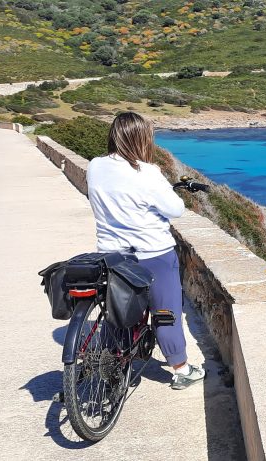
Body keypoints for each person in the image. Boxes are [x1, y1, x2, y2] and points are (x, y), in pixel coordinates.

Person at [85, 112, 205, 390]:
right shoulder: (147, 172)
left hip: (111, 254)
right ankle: (181, 368)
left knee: (117, 306)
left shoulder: (95, 166)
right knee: (166, 311)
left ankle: (115, 358)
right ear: (141, 139)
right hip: (153, 255)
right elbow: (176, 210)